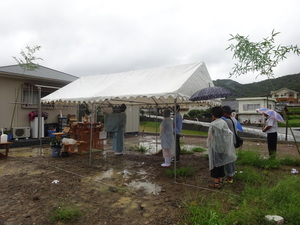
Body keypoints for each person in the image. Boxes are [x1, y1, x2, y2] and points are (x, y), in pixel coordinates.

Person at [207, 106, 237, 188]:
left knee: (215, 164)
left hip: (215, 147)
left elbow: (210, 137)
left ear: (213, 115)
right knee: (221, 163)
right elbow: (228, 134)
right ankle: (220, 180)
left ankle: (216, 183)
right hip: (223, 147)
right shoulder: (224, 122)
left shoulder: (213, 124)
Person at [222, 105, 239, 184]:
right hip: (233, 141)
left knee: (228, 160)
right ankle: (231, 175)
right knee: (231, 159)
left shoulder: (226, 121)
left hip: (228, 143)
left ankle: (229, 177)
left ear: (225, 113)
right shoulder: (233, 119)